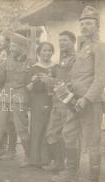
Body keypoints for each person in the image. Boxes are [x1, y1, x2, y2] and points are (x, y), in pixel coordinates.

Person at [51, 6, 105, 182]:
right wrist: (68, 87)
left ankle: (92, 181)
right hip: (74, 100)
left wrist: (86, 98)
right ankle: (71, 171)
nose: (85, 27)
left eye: (89, 23)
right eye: (82, 23)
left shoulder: (102, 48)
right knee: (69, 134)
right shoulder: (83, 47)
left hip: (90, 102)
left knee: (92, 142)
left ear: (97, 26)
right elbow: (79, 75)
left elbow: (101, 79)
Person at [0, 31, 31, 167]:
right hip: (5, 98)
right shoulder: (6, 61)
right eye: (11, 46)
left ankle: (29, 156)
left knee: (21, 128)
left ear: (22, 47)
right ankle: (6, 151)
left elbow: (30, 84)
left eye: (14, 46)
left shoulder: (30, 63)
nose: (11, 48)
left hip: (19, 99)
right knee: (2, 126)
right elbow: (0, 80)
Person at [43, 31, 76, 171]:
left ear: (73, 42)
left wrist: (50, 80)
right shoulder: (61, 59)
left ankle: (70, 168)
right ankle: (59, 163)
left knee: (68, 136)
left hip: (68, 102)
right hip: (57, 101)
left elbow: (71, 83)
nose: (61, 43)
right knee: (52, 133)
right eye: (60, 40)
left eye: (65, 40)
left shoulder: (76, 60)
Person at [27, 42, 55, 167]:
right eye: (44, 50)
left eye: (49, 50)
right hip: (38, 101)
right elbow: (28, 87)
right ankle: (35, 159)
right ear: (39, 52)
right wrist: (33, 82)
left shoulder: (56, 67)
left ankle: (47, 159)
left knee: (49, 128)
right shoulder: (34, 68)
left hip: (52, 100)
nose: (47, 53)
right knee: (37, 128)